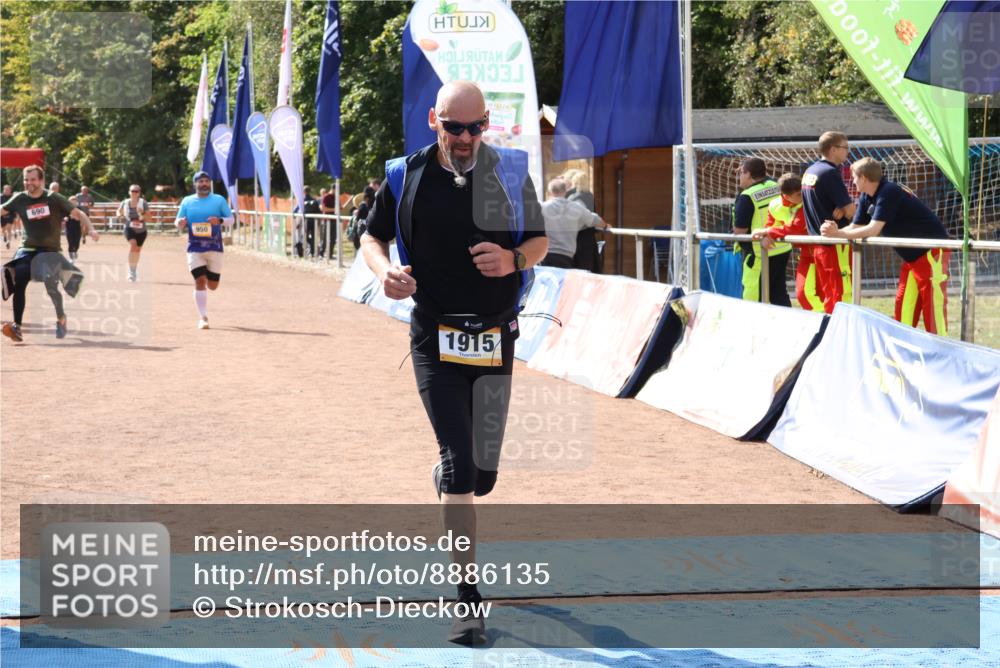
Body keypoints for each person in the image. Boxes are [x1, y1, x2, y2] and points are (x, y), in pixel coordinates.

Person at [361, 80, 546, 645]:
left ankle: (450, 477)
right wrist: (383, 272)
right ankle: (466, 598)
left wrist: (512, 257)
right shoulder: (405, 174)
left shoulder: (511, 172)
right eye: (454, 127)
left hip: (495, 336)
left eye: (475, 127)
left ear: (486, 123)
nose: (465, 138)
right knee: (461, 464)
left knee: (480, 477)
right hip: (433, 337)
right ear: (434, 122)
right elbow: (370, 237)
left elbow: (539, 242)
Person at [822, 157, 952, 334]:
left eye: (854, 177)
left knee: (932, 308)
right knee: (904, 307)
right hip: (912, 258)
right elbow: (856, 227)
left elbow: (873, 229)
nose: (852, 182)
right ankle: (902, 350)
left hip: (931, 253)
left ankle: (941, 352)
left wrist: (837, 233)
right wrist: (836, 230)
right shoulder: (867, 196)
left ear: (864, 178)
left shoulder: (888, 191)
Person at [1, 165, 99, 342]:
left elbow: (79, 214)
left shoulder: (53, 198)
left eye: (33, 179)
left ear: (41, 181)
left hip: (49, 251)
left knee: (51, 286)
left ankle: (61, 318)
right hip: (28, 249)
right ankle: (17, 327)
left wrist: (91, 230)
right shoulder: (20, 199)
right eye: (26, 179)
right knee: (20, 278)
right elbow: (1, 210)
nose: (29, 183)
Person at [752, 173, 825, 311]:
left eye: (802, 192)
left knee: (822, 294)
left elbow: (795, 229)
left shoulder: (807, 203)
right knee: (803, 293)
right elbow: (771, 225)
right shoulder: (774, 205)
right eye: (798, 194)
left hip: (823, 252)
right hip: (807, 255)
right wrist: (768, 234)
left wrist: (769, 233)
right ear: (786, 196)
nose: (803, 196)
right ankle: (824, 322)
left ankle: (827, 323)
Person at [802, 131, 855, 313]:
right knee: (840, 294)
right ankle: (839, 335)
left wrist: (843, 207)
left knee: (828, 293)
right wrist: (848, 209)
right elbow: (851, 211)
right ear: (833, 149)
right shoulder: (830, 173)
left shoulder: (810, 171)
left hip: (817, 244)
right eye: (845, 147)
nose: (848, 151)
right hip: (834, 243)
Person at [175, 171, 233, 330]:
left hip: (215, 247)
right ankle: (203, 317)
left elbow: (231, 219)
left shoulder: (218, 200)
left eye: (207, 181)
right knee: (199, 281)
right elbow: (177, 221)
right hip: (195, 247)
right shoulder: (187, 201)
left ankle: (206, 276)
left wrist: (219, 220)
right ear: (195, 184)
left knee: (212, 286)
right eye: (201, 181)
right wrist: (180, 222)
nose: (204, 184)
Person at [732, 158, 790, 306]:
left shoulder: (747, 196)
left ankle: (754, 328)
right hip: (782, 248)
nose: (740, 177)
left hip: (759, 254)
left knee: (754, 299)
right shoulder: (777, 186)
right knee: (779, 295)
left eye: (741, 173)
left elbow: (739, 231)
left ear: (748, 174)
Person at [539, 177, 608, 268]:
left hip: (545, 254)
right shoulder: (576, 208)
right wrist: (606, 225)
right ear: (565, 191)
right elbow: (596, 220)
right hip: (566, 256)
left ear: (550, 192)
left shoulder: (542, 207)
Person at [117, 184, 149, 281]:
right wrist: (120, 216)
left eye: (136, 191)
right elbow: (118, 211)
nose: (134, 193)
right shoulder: (125, 202)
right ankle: (131, 273)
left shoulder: (143, 203)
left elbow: (149, 217)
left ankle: (134, 269)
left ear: (139, 193)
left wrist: (142, 213)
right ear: (129, 192)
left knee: (137, 250)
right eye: (132, 191)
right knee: (133, 245)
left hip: (142, 230)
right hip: (129, 228)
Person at [296, 186, 322, 258]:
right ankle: (313, 251)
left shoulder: (301, 201)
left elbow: (296, 210)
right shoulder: (314, 200)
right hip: (314, 221)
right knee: (313, 236)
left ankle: (311, 248)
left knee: (305, 236)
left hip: (306, 221)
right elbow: (319, 212)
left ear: (304, 192)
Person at [347, 186, 374, 251]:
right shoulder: (375, 203)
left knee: (361, 248)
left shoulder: (363, 205)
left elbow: (358, 217)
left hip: (363, 230)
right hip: (372, 229)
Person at [2, 184, 18, 249]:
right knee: (3, 230)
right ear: (3, 190)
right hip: (2, 215)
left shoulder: (13, 197)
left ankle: (8, 241)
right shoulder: (1, 197)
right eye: (5, 189)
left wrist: (16, 215)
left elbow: (16, 206)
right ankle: (5, 236)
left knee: (9, 228)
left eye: (8, 189)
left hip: (11, 214)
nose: (6, 191)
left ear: (10, 190)